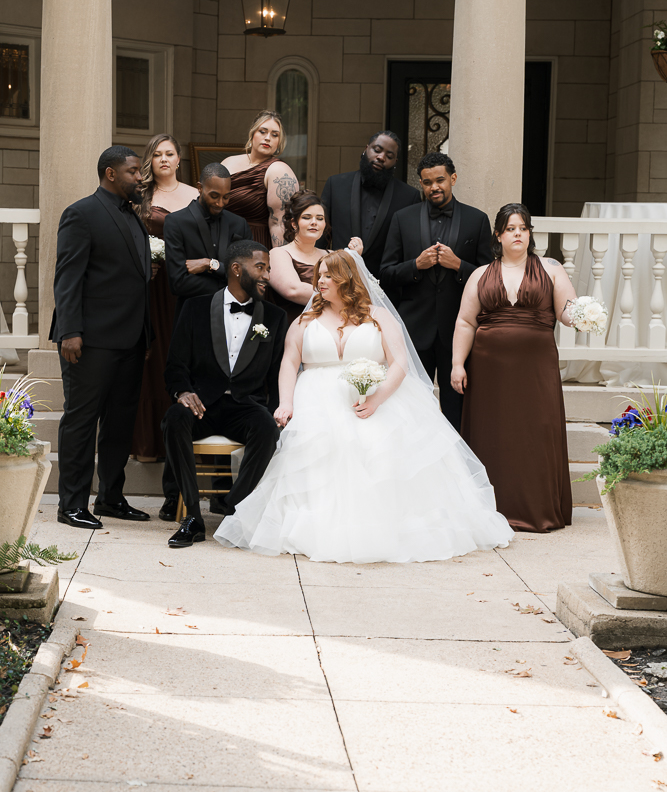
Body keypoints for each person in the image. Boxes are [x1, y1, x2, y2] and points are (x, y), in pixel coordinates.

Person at [214, 250, 512, 563]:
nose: (321, 281)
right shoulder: (306, 318)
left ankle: (378, 528)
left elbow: (399, 362)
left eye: (329, 275)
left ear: (348, 279)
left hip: (375, 400)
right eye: (320, 275)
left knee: (376, 448)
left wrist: (378, 398)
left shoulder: (378, 316)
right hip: (316, 404)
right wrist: (286, 403)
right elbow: (290, 362)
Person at [452, 203, 576, 533]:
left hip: (536, 369)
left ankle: (535, 508)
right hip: (489, 371)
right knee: (493, 433)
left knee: (535, 431)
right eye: (510, 228)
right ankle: (492, 508)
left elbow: (567, 311)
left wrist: (585, 315)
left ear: (530, 233)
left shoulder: (551, 269)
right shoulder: (481, 274)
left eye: (522, 227)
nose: (517, 233)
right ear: (498, 235)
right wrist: (456, 364)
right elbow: (465, 322)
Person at [50, 146, 152, 529]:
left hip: (130, 339)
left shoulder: (132, 216)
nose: (139, 177)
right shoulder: (81, 213)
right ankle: (71, 504)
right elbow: (68, 278)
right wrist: (70, 331)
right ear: (110, 173)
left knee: (120, 423)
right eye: (133, 171)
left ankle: (111, 497)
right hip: (89, 341)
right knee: (81, 420)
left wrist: (146, 335)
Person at [162, 240, 288, 549]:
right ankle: (192, 516)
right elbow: (175, 365)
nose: (267, 275)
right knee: (174, 418)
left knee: (266, 427)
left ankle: (236, 506)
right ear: (236, 268)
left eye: (268, 269)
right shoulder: (195, 307)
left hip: (245, 406)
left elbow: (275, 375)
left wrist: (276, 410)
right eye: (260, 267)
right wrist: (183, 391)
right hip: (202, 404)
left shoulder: (274, 317)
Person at [380, 152, 493, 430]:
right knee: (411, 403)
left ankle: (457, 465)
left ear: (453, 179)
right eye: (428, 182)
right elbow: (385, 273)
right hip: (414, 328)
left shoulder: (476, 220)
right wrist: (416, 265)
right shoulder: (402, 219)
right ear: (421, 183)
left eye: (440, 180)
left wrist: (459, 266)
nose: (434, 187)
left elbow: (490, 277)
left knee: (457, 404)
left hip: (458, 330)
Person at [129, 134, 199, 521]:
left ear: (178, 159)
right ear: (149, 161)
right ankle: (148, 442)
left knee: (176, 356)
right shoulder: (139, 196)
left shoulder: (194, 194)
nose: (164, 159)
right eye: (157, 154)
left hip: (181, 290)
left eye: (170, 153)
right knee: (150, 358)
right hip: (148, 287)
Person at [320, 130, 420, 279]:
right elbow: (322, 236)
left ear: (395, 162)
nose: (381, 157)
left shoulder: (409, 197)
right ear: (366, 149)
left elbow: (410, 250)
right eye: (377, 150)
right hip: (338, 280)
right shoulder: (335, 185)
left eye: (389, 156)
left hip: (385, 287)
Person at [163, 162, 251, 318]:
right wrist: (228, 280)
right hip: (193, 315)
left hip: (233, 317)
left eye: (226, 197)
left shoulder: (239, 224)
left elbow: (247, 276)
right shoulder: (175, 222)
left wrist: (210, 264)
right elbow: (178, 283)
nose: (220, 203)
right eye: (214, 196)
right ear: (199, 187)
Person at [222, 110, 298, 249]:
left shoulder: (279, 171)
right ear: (252, 134)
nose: (268, 138)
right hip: (221, 242)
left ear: (279, 142)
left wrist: (279, 261)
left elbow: (280, 224)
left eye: (274, 135)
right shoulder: (228, 162)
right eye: (262, 132)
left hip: (255, 246)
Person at [269, 190, 331, 324]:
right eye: (307, 217)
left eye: (320, 218)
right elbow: (293, 290)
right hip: (294, 326)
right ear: (294, 223)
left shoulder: (331, 255)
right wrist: (340, 296)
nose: (314, 222)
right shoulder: (279, 253)